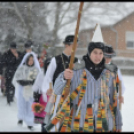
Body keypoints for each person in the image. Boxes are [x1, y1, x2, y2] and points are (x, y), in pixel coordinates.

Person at [44, 24, 122, 132]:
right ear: (89, 53)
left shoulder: (108, 74)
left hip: (102, 123)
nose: (98, 56)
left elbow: (114, 100)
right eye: (95, 52)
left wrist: (118, 123)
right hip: (79, 122)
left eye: (101, 53)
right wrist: (63, 77)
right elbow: (57, 90)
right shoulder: (76, 71)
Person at [41, 35, 79, 131]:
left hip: (71, 95)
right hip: (57, 94)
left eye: (76, 46)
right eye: (73, 46)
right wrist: (48, 89)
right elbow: (48, 77)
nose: (75, 49)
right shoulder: (56, 60)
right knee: (56, 117)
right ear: (66, 45)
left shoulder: (77, 61)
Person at [12, 52, 41, 130]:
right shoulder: (22, 68)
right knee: (22, 104)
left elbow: (38, 80)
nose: (31, 61)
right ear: (26, 60)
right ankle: (21, 118)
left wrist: (32, 82)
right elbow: (18, 79)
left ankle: (30, 122)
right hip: (22, 89)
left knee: (30, 106)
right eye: (29, 60)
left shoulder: (36, 69)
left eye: (32, 60)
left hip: (31, 90)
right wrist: (26, 82)